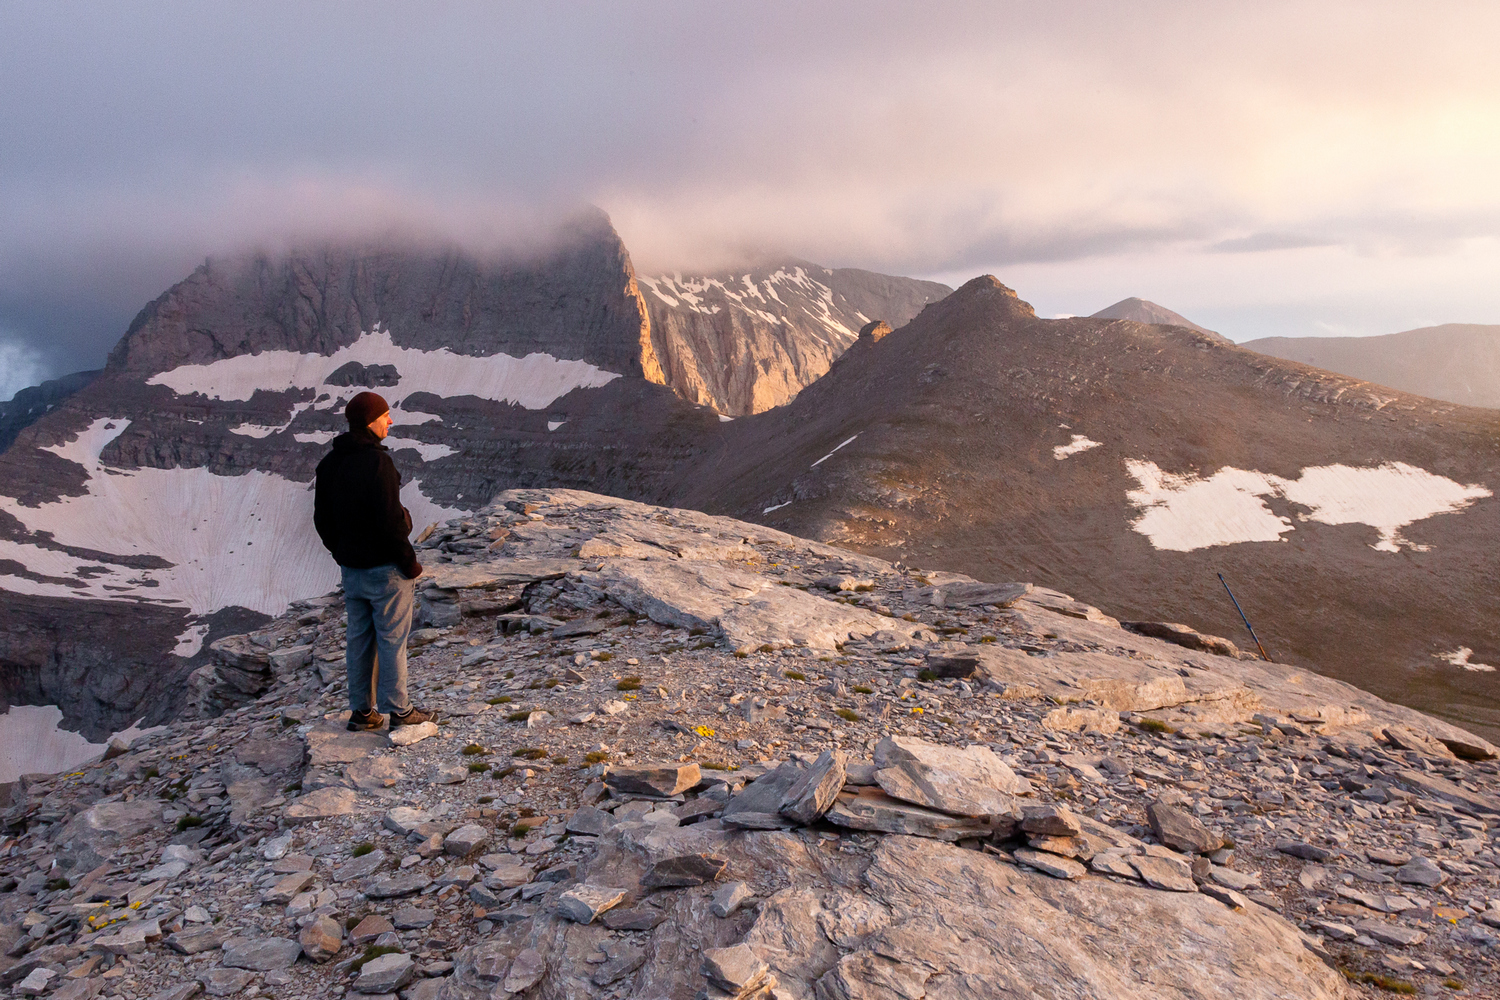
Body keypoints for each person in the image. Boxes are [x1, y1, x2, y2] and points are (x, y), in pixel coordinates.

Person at [314, 391, 436, 731]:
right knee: (392, 640)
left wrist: (340, 552)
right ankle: (400, 711)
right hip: (386, 571)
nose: (391, 421)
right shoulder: (378, 463)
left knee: (359, 639)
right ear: (371, 422)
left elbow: (322, 519)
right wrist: (409, 563)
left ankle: (362, 712)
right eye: (385, 416)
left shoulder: (329, 464)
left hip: (351, 571)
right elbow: (390, 522)